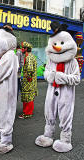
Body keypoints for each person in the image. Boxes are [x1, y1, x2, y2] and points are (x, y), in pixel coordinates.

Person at [35, 21, 80, 153]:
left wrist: (63, 78)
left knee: (65, 115)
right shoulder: (51, 60)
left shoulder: (73, 61)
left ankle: (65, 139)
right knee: (49, 112)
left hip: (66, 93)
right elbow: (46, 72)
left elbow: (76, 78)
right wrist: (50, 76)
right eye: (55, 44)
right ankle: (48, 136)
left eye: (61, 44)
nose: (58, 47)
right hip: (51, 91)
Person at [19, 42, 38, 119]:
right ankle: (28, 111)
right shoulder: (32, 56)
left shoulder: (28, 57)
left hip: (28, 80)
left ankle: (27, 113)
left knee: (27, 96)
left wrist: (28, 76)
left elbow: (30, 68)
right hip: (32, 80)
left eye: (23, 48)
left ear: (26, 49)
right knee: (30, 95)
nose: (22, 49)